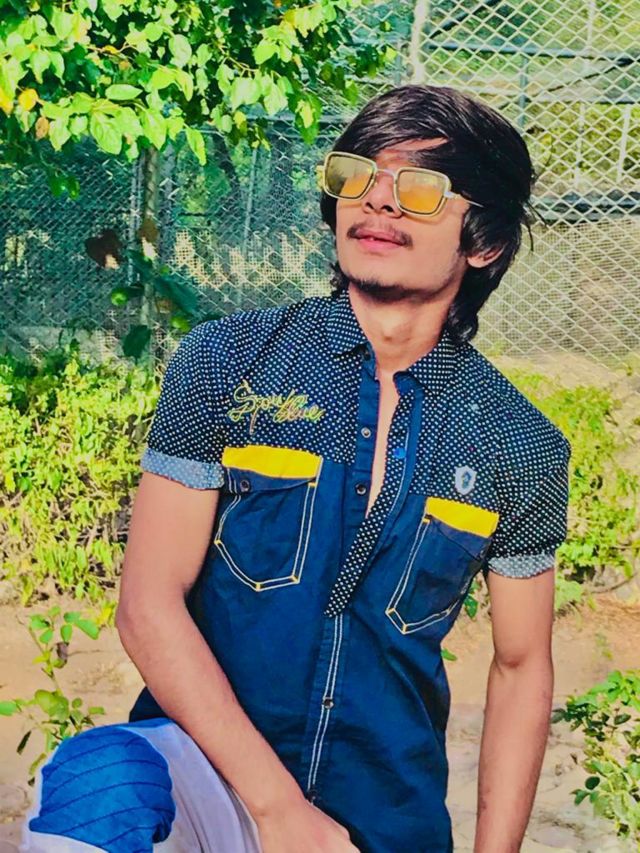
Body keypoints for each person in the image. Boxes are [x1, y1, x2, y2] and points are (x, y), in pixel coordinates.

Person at [21, 83, 571, 853]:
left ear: (485, 242)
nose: (377, 201)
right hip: (209, 782)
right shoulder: (229, 361)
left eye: (419, 188)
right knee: (99, 788)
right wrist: (279, 809)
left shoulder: (519, 443)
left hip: (382, 818)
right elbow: (148, 603)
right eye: (357, 175)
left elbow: (520, 667)